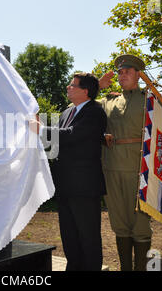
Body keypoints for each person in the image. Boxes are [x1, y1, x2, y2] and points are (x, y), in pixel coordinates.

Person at [30, 72, 107, 271]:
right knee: (69, 235)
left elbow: (72, 135)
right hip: (65, 185)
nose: (68, 87)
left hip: (84, 187)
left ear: (86, 91)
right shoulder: (66, 113)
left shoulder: (95, 112)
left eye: (73, 85)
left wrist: (41, 129)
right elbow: (55, 141)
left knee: (88, 236)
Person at [98, 54, 152, 271]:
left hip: (140, 169)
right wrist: (96, 86)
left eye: (127, 71)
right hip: (111, 169)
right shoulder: (107, 101)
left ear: (138, 75)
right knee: (119, 224)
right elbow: (80, 112)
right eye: (119, 72)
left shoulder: (149, 99)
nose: (122, 75)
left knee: (140, 225)